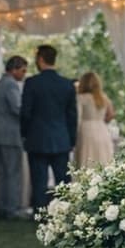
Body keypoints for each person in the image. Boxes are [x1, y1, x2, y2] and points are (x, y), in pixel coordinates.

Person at [20, 44, 76, 213]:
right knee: (63, 180)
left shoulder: (32, 83)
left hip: (37, 138)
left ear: (40, 59)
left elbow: (25, 113)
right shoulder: (66, 84)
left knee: (39, 180)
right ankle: (65, 212)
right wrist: (72, 139)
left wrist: (25, 134)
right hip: (61, 138)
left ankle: (40, 213)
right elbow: (72, 116)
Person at [0, 55, 28, 218]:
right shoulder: (11, 85)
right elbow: (18, 108)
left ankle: (1, 206)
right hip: (11, 135)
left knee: (1, 173)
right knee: (12, 173)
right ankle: (12, 208)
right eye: (22, 70)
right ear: (14, 69)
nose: (24, 74)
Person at [74, 71, 115, 168]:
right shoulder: (104, 97)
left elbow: (77, 116)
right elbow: (111, 114)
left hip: (86, 130)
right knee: (103, 159)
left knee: (87, 159)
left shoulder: (80, 98)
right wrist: (101, 121)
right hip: (102, 129)